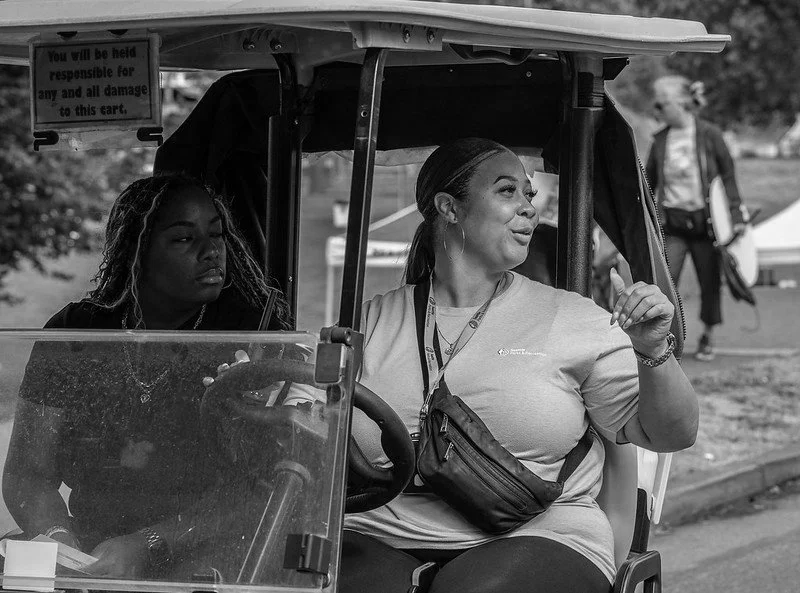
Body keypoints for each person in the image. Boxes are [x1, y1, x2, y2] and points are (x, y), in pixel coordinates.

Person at [341, 138, 699, 593]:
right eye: (508, 191)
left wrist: (653, 350)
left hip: (536, 536)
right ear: (449, 207)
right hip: (380, 533)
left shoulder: (576, 319)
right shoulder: (366, 322)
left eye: (529, 194)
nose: (529, 208)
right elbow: (301, 426)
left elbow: (672, 434)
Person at [2, 174, 300, 578]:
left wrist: (148, 544)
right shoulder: (76, 332)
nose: (212, 252)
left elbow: (265, 487)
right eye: (184, 239)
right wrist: (59, 540)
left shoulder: (252, 337)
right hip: (89, 544)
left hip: (213, 550)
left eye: (217, 234)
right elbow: (28, 474)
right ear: (137, 252)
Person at [645, 75, 746, 361]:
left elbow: (728, 177)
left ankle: (708, 335)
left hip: (706, 225)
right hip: (673, 225)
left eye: (661, 105)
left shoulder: (709, 135)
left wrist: (736, 216)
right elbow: (648, 183)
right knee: (665, 282)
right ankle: (667, 337)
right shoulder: (661, 140)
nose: (657, 112)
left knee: (709, 282)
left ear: (680, 103)